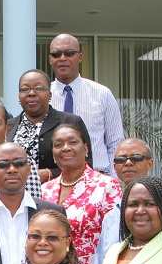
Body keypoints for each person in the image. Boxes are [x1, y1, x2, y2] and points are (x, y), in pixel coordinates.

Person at [94, 138, 162, 264]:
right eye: (121, 159)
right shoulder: (111, 215)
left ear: (150, 163)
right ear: (114, 167)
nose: (128, 163)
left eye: (136, 158)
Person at [40, 124, 123, 264]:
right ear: (53, 154)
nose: (66, 147)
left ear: (85, 149)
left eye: (73, 142)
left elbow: (115, 239)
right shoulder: (44, 190)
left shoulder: (106, 186)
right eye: (59, 144)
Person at [48, 34, 124, 176]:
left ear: (80, 57)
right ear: (50, 59)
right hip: (55, 181)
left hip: (98, 179)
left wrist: (113, 181)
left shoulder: (102, 94)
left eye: (69, 53)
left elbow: (115, 143)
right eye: (56, 54)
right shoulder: (44, 97)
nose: (62, 58)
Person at [7, 69, 92, 184]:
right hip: (16, 196)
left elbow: (87, 164)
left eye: (39, 88)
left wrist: (50, 173)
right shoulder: (9, 126)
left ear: (50, 95)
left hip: (59, 194)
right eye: (25, 89)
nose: (31, 93)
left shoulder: (70, 122)